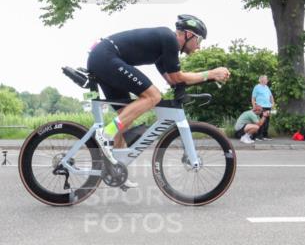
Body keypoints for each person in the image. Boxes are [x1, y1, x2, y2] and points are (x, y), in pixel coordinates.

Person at [86, 15, 231, 184]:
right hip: (105, 57)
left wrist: (209, 79)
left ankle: (115, 169)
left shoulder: (164, 50)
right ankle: (106, 133)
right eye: (199, 40)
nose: (199, 46)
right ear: (188, 34)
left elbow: (173, 80)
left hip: (103, 58)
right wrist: (211, 73)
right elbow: (178, 77)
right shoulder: (169, 39)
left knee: (125, 116)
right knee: (153, 96)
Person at [250, 75, 273, 140]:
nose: (267, 80)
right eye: (266, 79)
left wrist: (272, 103)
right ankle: (258, 136)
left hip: (268, 106)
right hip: (260, 107)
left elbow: (271, 96)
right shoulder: (257, 87)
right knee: (261, 121)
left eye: (267, 79)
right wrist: (254, 106)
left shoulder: (267, 87)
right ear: (262, 80)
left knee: (267, 121)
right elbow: (253, 98)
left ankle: (265, 135)